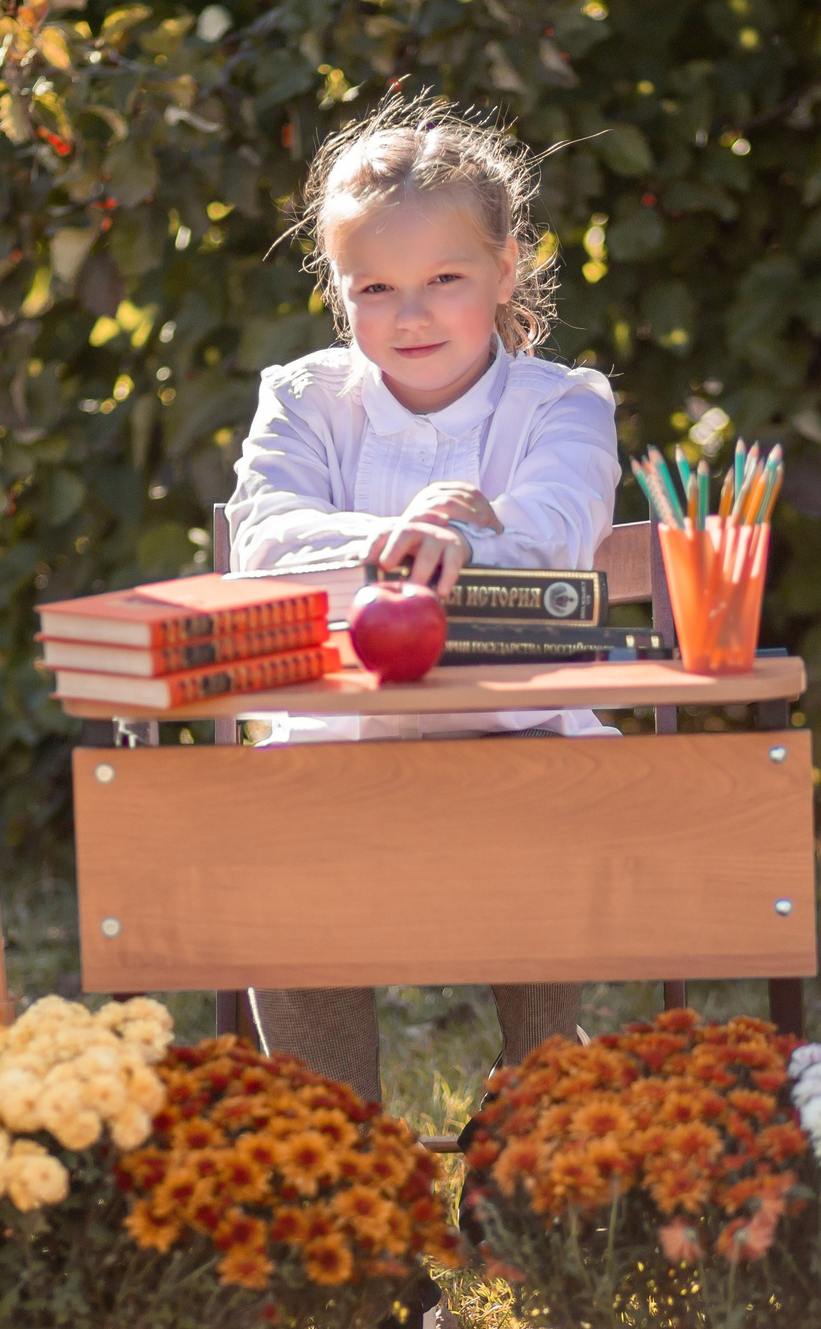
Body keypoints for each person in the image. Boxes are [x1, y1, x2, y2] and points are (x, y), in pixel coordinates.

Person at [225, 93, 620, 1113]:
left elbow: (556, 535)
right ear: (338, 291)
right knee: (269, 850)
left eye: (445, 279)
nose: (411, 314)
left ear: (506, 269)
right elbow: (262, 541)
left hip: (520, 730)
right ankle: (338, 1144)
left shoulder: (562, 404)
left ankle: (535, 1115)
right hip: (336, 742)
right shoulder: (306, 398)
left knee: (560, 815)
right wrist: (401, 537)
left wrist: (462, 536)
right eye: (376, 287)